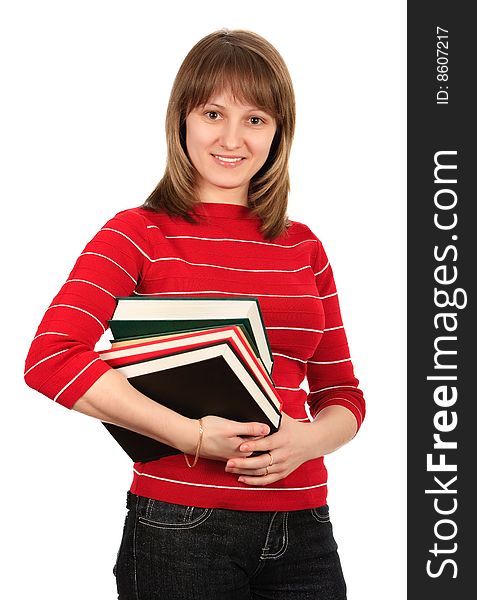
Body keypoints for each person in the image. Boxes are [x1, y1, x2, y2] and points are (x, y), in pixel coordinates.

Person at [24, 28, 365, 600]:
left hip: (306, 527)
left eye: (255, 119)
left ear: (278, 133)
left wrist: (309, 441)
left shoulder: (303, 246)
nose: (232, 138)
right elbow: (51, 359)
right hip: (181, 528)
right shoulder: (136, 233)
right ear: (181, 119)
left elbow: (344, 394)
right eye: (213, 113)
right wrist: (192, 437)